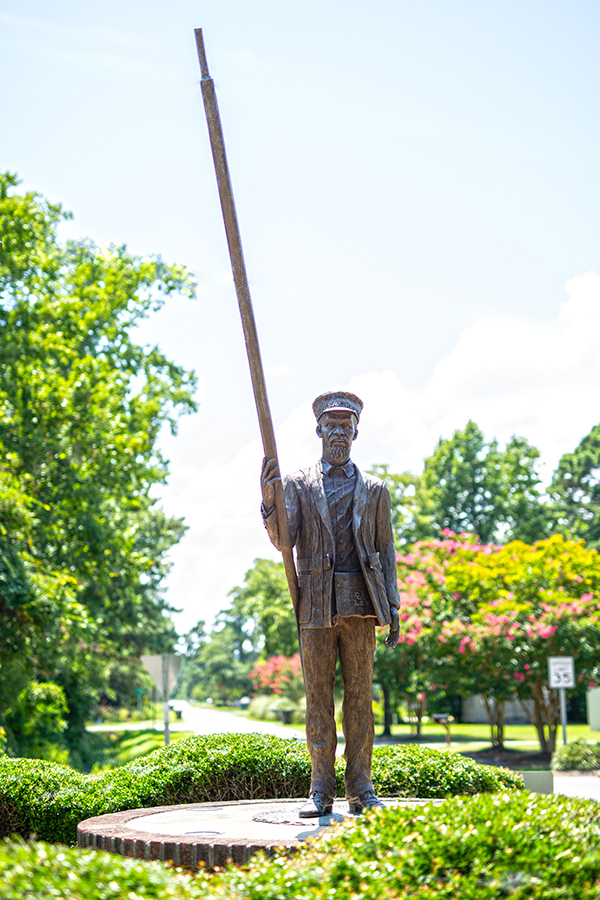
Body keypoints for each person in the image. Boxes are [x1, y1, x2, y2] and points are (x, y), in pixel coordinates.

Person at [261, 390, 400, 817]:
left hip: (362, 603)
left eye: (346, 425)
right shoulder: (300, 484)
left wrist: (392, 608)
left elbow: (387, 550)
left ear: (357, 431)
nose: (339, 432)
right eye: (332, 425)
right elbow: (285, 541)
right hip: (316, 605)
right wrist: (270, 502)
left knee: (359, 698)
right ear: (319, 430)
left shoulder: (375, 490)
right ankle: (320, 788)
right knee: (317, 698)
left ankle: (361, 787)